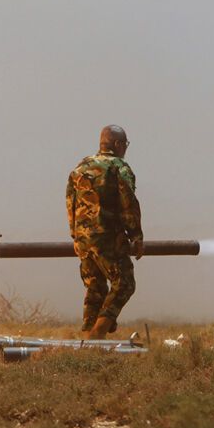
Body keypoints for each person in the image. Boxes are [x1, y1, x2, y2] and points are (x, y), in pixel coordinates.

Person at [66, 125, 144, 339]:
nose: (125, 149)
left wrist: (75, 235)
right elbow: (128, 203)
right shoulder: (119, 167)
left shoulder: (80, 167)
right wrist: (136, 236)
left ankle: (88, 342)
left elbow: (70, 202)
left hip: (83, 239)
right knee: (125, 282)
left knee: (95, 288)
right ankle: (97, 334)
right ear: (118, 144)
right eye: (125, 144)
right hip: (107, 237)